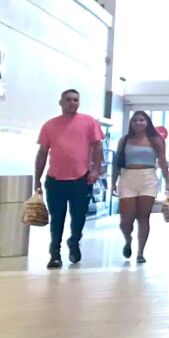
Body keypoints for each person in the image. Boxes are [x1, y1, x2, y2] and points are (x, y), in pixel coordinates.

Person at [33, 88, 103, 269]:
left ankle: (74, 241)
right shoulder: (50, 125)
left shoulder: (89, 122)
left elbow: (97, 147)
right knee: (57, 218)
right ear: (61, 102)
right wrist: (37, 179)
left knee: (78, 217)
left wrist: (95, 170)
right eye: (69, 100)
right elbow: (42, 153)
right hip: (55, 179)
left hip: (81, 179)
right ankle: (55, 253)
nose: (73, 103)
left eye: (76, 100)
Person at [112, 110, 169, 264]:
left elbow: (163, 162)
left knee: (143, 217)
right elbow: (117, 162)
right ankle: (128, 239)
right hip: (128, 177)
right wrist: (113, 181)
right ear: (131, 124)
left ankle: (140, 252)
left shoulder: (156, 140)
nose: (138, 123)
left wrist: (168, 182)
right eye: (135, 120)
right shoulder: (125, 140)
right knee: (126, 219)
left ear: (147, 122)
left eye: (141, 120)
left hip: (148, 177)